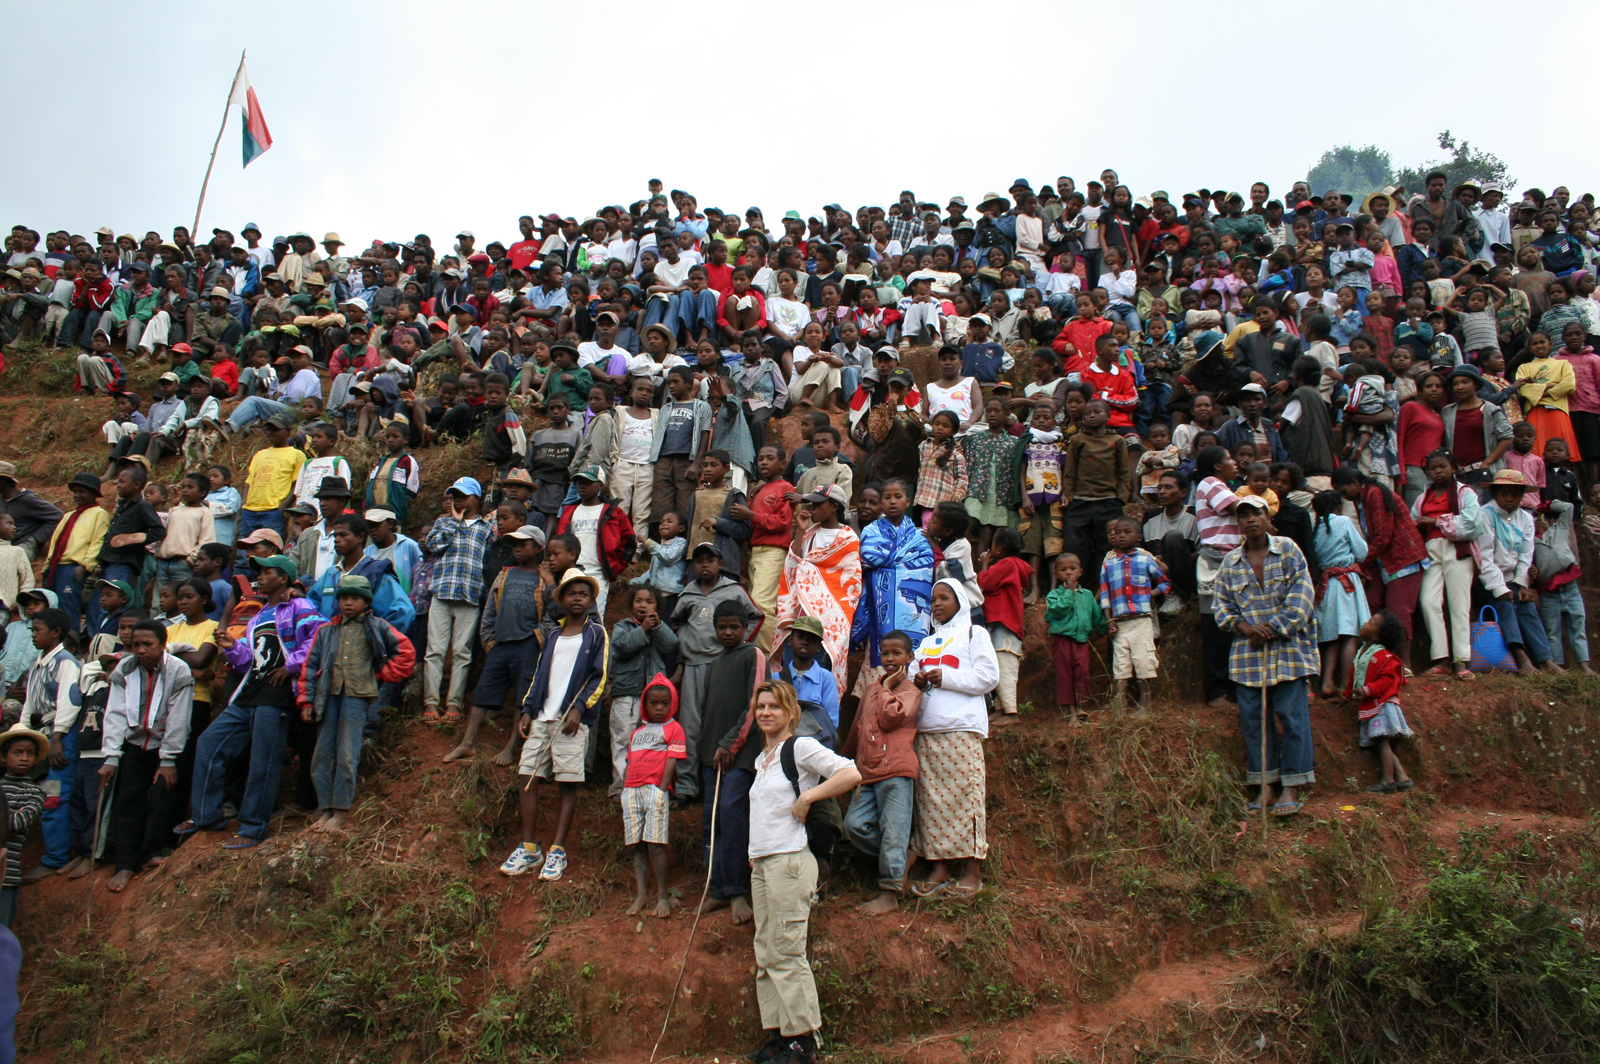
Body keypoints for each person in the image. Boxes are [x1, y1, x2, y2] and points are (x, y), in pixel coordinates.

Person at [739, 681, 860, 1064]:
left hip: (791, 862)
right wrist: (754, 855)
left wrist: (809, 796)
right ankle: (777, 1036)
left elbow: (850, 773)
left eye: (774, 706)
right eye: (761, 706)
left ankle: (802, 1041)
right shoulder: (763, 759)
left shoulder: (800, 747)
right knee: (767, 952)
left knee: (787, 951)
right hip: (764, 864)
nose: (766, 712)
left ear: (790, 712)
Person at [178, 554, 324, 850]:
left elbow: (318, 638)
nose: (260, 576)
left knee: (263, 759)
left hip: (278, 693)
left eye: (267, 572)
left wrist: (292, 665)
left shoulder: (299, 605)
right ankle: (207, 815)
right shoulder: (259, 615)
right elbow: (249, 659)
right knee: (209, 743)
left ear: (283, 578)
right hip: (251, 689)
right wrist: (232, 647)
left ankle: (254, 827)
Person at [1212, 495, 1318, 818]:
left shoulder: (1288, 549)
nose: (1249, 520)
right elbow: (1221, 607)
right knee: (1254, 722)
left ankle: (1292, 785)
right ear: (1238, 523)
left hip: (1289, 649)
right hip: (1248, 654)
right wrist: (1246, 628)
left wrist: (1272, 628)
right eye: (1243, 516)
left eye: (1255, 513)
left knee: (1292, 716)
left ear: (1266, 515)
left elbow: (1303, 597)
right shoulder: (1230, 563)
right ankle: (1265, 786)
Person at [500, 569, 609, 883]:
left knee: (567, 783)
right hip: (542, 718)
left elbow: (600, 677)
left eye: (583, 594)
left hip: (571, 723)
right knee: (526, 777)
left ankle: (557, 849)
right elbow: (539, 675)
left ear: (591, 600)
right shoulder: (553, 635)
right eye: (571, 593)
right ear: (562, 599)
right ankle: (530, 846)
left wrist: (579, 708)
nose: (577, 598)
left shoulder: (597, 634)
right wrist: (527, 709)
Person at [297, 575, 415, 835]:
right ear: (338, 601)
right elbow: (310, 666)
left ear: (366, 601)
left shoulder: (377, 627)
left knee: (348, 755)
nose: (349, 603)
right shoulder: (326, 631)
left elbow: (405, 652)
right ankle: (324, 807)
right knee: (321, 756)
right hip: (328, 698)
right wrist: (306, 700)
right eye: (344, 598)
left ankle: (340, 812)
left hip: (357, 696)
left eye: (355, 598)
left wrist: (383, 671)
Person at [909, 578, 995, 898]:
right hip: (927, 732)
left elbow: (988, 677)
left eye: (944, 597)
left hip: (961, 729)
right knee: (931, 801)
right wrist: (915, 678)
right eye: (933, 599)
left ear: (960, 601)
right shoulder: (926, 642)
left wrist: (946, 677)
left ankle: (972, 870)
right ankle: (939, 867)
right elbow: (909, 676)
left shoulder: (975, 634)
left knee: (966, 797)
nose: (937, 604)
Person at [97, 619, 194, 891]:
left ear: (162, 645)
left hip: (164, 747)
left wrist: (168, 759)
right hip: (135, 745)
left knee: (161, 798)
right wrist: (111, 756)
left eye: (147, 644)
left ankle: (151, 852)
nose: (140, 650)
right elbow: (115, 713)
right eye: (135, 645)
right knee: (128, 802)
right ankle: (125, 864)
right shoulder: (124, 671)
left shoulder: (178, 670)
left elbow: (179, 717)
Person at [669, 544, 763, 805]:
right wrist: (688, 645)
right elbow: (676, 622)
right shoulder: (687, 594)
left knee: (720, 722)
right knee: (690, 725)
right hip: (694, 665)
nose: (704, 565)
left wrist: (736, 649)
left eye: (710, 560)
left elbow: (755, 617)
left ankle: (719, 780)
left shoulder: (734, 590)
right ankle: (687, 787)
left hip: (724, 664)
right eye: (699, 561)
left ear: (720, 563)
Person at [698, 599, 772, 923]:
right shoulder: (714, 663)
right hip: (711, 755)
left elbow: (755, 704)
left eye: (734, 627)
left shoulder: (752, 655)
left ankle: (739, 890)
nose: (728, 632)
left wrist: (731, 743)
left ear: (746, 629)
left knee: (732, 815)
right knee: (709, 822)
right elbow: (706, 710)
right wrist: (711, 747)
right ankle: (717, 889)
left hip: (740, 755)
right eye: (722, 627)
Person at [840, 629, 918, 916]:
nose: (890, 658)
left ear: (910, 657)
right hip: (867, 771)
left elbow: (890, 718)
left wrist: (887, 687)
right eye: (885, 653)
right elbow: (858, 727)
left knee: (894, 830)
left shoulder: (911, 692)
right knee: (854, 826)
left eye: (897, 653)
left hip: (896, 770)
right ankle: (901, 858)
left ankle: (890, 892)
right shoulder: (872, 688)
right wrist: (846, 762)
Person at [773, 484, 862, 699]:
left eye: (817, 504)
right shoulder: (809, 534)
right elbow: (794, 565)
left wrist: (809, 567)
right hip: (800, 618)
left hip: (828, 625)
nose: (811, 509)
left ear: (834, 507)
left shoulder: (848, 539)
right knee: (789, 683)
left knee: (819, 680)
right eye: (810, 504)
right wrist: (800, 530)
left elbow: (851, 583)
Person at [420, 478, 493, 725]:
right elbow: (432, 546)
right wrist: (455, 523)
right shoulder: (443, 523)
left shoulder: (486, 528)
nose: (458, 500)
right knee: (435, 651)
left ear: (476, 499)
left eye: (463, 495)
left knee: (462, 653)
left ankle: (454, 703)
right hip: (442, 593)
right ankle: (431, 702)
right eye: (454, 496)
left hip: (470, 596)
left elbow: (488, 559)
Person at [19, 608, 82, 880]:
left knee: (54, 796)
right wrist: (20, 734)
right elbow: (28, 705)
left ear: (55, 633)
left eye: (38, 630)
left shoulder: (65, 662)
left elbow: (70, 702)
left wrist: (58, 737)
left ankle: (56, 855)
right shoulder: (38, 663)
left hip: (61, 739)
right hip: (44, 735)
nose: (33, 635)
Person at [1410, 450, 1483, 680]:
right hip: (1431, 551)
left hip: (1456, 549)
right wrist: (1419, 525)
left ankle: (1461, 661)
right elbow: (1412, 520)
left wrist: (1435, 521)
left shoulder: (1465, 493)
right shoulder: (1423, 498)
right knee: (1428, 601)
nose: (1438, 471)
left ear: (1453, 468)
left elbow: (1473, 523)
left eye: (1442, 466)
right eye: (1433, 468)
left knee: (1458, 604)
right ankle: (1441, 658)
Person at [622, 673, 685, 918]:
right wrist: (626, 788)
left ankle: (662, 895)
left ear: (673, 705)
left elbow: (672, 760)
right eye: (654, 703)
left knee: (656, 844)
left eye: (664, 704)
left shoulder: (674, 729)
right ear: (645, 705)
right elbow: (629, 760)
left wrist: (662, 788)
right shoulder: (637, 733)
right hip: (631, 790)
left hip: (654, 790)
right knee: (637, 844)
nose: (659, 708)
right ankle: (641, 894)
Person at [606, 587, 680, 795]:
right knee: (622, 739)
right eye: (639, 601)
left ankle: (647, 784)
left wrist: (656, 627)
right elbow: (621, 647)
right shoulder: (623, 627)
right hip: (626, 695)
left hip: (652, 698)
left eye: (649, 602)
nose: (643, 605)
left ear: (657, 607)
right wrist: (642, 630)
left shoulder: (659, 628)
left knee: (650, 740)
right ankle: (621, 786)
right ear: (631, 605)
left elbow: (672, 645)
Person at [1097, 516, 1169, 717]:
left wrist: (1152, 594)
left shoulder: (1146, 559)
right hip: (1120, 622)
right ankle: (1119, 703)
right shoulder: (1109, 564)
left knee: (1143, 658)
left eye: (1127, 532)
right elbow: (1105, 594)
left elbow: (1164, 583)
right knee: (1120, 661)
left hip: (1142, 619)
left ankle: (1145, 704)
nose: (1120, 536)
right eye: (1117, 532)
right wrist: (1109, 618)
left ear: (1138, 537)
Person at [1060, 398, 1130, 592]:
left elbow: (1124, 472)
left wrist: (1121, 498)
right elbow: (1070, 471)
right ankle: (1075, 592)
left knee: (1106, 549)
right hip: (1080, 503)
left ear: (1107, 416)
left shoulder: (1117, 441)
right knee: (1075, 547)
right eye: (1088, 413)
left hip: (1108, 503)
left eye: (1096, 412)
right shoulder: (1077, 440)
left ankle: (1104, 591)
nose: (1091, 416)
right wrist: (1070, 495)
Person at [1345, 610, 1415, 794]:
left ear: (1376, 635)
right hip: (1373, 703)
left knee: (1383, 742)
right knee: (1381, 743)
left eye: (1370, 622)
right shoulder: (1362, 652)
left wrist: (1368, 690)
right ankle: (1403, 778)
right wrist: (1346, 695)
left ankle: (1388, 781)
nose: (1364, 623)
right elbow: (1355, 677)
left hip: (1382, 704)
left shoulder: (1384, 657)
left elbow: (1386, 680)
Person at [1309, 490, 1370, 700]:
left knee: (1332, 636)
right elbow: (1362, 552)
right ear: (1338, 506)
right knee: (1349, 634)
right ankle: (1345, 686)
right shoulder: (1343, 522)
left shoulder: (1313, 527)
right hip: (1346, 584)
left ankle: (1327, 682)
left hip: (1325, 585)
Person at [976, 528, 1032, 725]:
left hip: (1004, 623)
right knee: (998, 665)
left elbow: (987, 581)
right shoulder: (1015, 565)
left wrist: (984, 565)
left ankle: (1011, 712)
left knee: (1004, 664)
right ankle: (1001, 708)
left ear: (999, 548)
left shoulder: (1007, 564)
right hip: (1003, 622)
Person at [41, 473, 107, 634]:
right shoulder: (68, 515)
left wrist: (85, 565)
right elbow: (56, 541)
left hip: (73, 567)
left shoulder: (99, 513)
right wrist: (48, 565)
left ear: (93, 493)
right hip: (56, 567)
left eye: (82, 491)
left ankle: (71, 643)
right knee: (51, 606)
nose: (77, 495)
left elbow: (98, 541)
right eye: (75, 492)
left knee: (68, 606)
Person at [1046, 552, 1106, 724]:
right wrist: (1069, 593)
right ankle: (1070, 710)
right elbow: (1058, 610)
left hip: (1082, 641)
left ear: (1080, 572)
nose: (1069, 573)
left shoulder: (1087, 595)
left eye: (1073, 569)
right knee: (1065, 674)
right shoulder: (1054, 595)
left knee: (1083, 672)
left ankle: (1080, 706)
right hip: (1063, 641)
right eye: (1064, 570)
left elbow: (1096, 616)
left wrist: (1106, 627)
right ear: (1056, 574)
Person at [0, 726, 45, 926]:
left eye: (30, 753)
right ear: (3, 757)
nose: (24, 758)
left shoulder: (35, 792)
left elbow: (17, 823)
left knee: (2, 933)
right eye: (17, 753)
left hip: (7, 876)